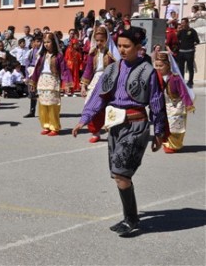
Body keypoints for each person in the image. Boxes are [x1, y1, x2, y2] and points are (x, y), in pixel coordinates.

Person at [72, 26, 168, 237]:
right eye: (120, 46)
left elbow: (156, 103)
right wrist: (84, 119)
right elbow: (98, 96)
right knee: (118, 174)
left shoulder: (148, 72)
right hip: (115, 125)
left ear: (138, 47)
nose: (122, 50)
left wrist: (159, 133)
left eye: (127, 46)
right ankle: (130, 216)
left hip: (136, 125)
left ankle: (131, 220)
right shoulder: (112, 69)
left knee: (121, 173)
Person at [29, 33, 72, 136]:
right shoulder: (42, 56)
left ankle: (54, 127)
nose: (46, 44)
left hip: (53, 81)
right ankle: (46, 125)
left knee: (53, 105)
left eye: (48, 42)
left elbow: (65, 70)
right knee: (43, 105)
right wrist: (33, 82)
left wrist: (67, 84)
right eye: (45, 42)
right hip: (42, 81)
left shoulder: (59, 56)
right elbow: (36, 70)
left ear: (53, 43)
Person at [80, 26, 119, 143]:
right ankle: (95, 132)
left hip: (109, 80)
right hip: (96, 80)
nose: (99, 43)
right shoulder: (93, 53)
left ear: (107, 39)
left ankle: (112, 131)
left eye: (102, 40)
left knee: (109, 107)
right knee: (92, 105)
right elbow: (88, 70)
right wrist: (83, 85)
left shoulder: (112, 53)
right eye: (97, 40)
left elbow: (118, 68)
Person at [154, 52, 195, 153]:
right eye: (157, 66)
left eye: (161, 66)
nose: (158, 68)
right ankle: (167, 143)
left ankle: (174, 145)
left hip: (177, 105)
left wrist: (189, 104)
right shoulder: (155, 77)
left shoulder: (175, 78)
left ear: (168, 65)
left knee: (175, 127)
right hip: (165, 105)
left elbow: (183, 92)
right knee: (165, 125)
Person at [176, 17, 200, 88]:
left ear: (187, 23)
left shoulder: (192, 31)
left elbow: (197, 41)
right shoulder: (181, 31)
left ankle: (190, 82)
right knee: (181, 68)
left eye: (183, 23)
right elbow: (177, 39)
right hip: (181, 52)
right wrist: (178, 32)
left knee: (190, 67)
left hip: (189, 52)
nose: (182, 24)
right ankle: (182, 82)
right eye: (181, 23)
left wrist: (192, 45)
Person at [23, 34, 43, 118]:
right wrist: (27, 76)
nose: (39, 43)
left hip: (40, 74)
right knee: (32, 92)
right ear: (33, 42)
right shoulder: (31, 52)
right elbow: (27, 64)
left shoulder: (43, 52)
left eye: (40, 41)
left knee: (42, 93)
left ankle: (44, 111)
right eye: (37, 41)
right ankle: (32, 111)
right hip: (32, 73)